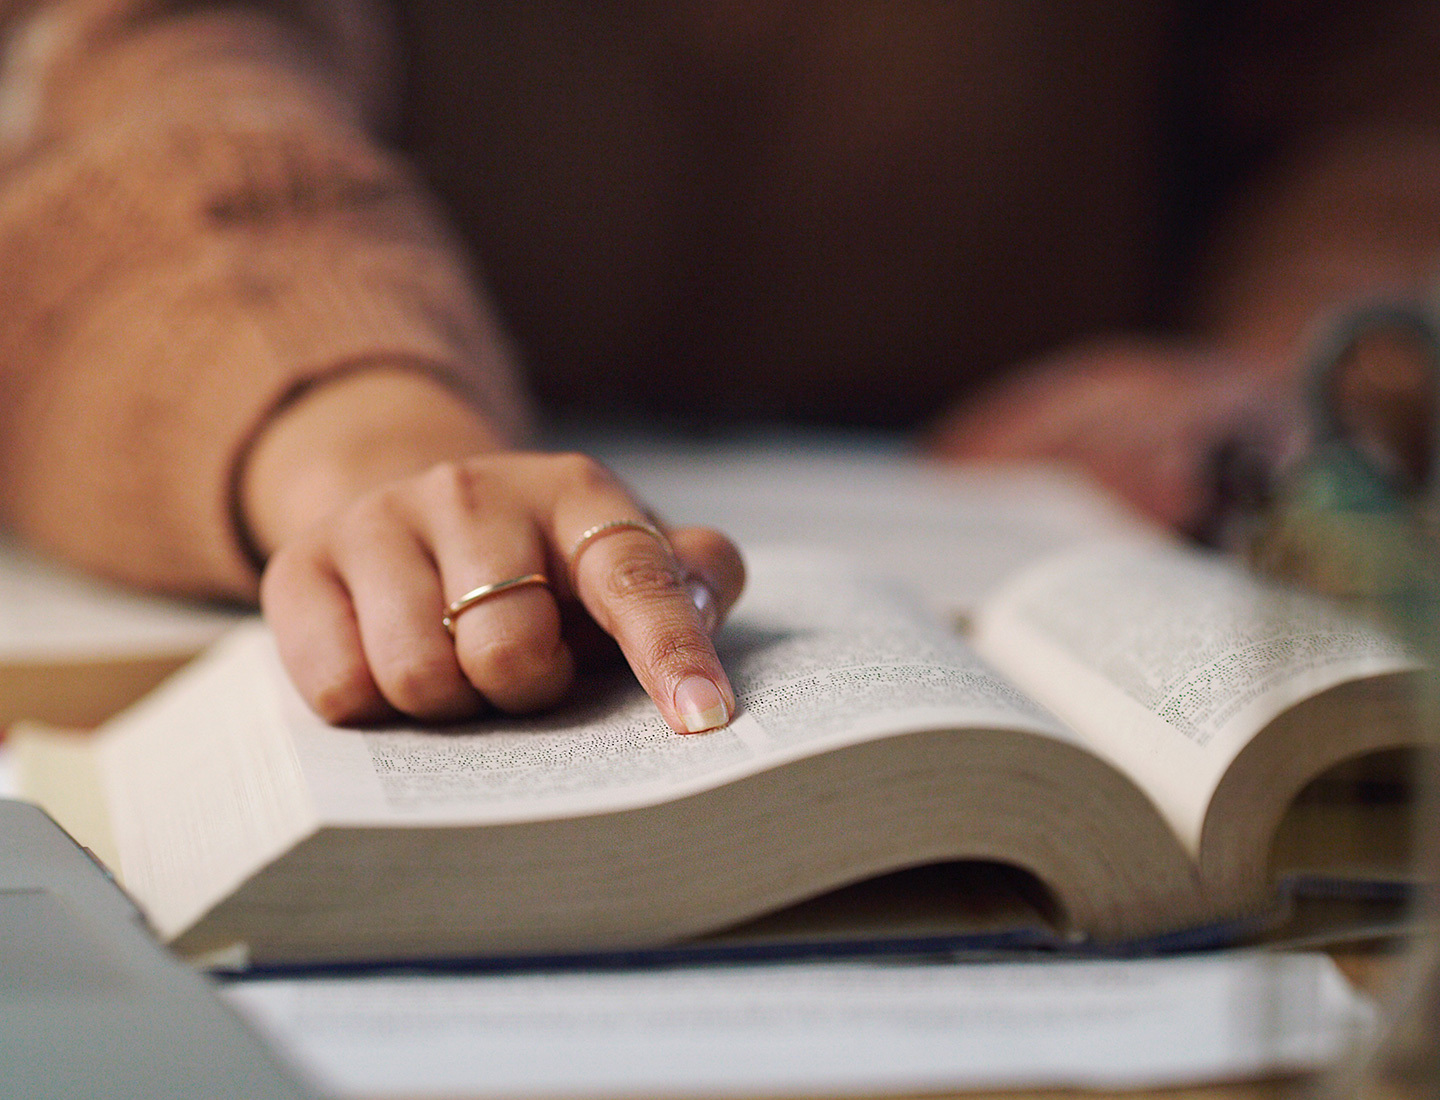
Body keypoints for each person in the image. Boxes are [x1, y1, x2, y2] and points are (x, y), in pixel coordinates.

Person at [2, 1, 1439, 734]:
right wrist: (368, 440)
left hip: (1111, 539)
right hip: (403, 441)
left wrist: (1296, 357)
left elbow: (1370, 101)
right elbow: (152, 82)